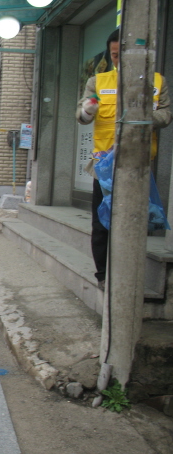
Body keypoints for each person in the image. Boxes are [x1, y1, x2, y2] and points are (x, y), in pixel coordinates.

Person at [77, 29, 171, 288]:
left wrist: (146, 118)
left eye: (123, 55)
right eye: (115, 55)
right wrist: (88, 110)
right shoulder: (98, 81)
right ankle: (103, 276)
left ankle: (129, 276)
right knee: (101, 224)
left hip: (138, 166)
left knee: (134, 221)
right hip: (104, 167)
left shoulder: (157, 82)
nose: (118, 60)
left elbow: (166, 114)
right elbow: (82, 114)